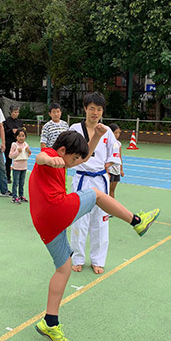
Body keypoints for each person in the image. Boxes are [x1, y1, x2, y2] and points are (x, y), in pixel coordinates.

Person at [30, 129, 160, 341]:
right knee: (98, 194)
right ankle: (137, 221)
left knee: (63, 268)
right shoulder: (51, 155)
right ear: (62, 151)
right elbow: (40, 157)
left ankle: (50, 322)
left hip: (44, 223)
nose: (75, 163)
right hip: (56, 210)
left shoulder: (63, 158)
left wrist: (97, 138)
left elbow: (83, 158)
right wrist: (50, 160)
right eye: (72, 158)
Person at [69, 92, 120, 274]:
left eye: (99, 109)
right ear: (85, 109)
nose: (95, 113)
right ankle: (77, 258)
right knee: (79, 221)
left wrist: (110, 163)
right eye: (92, 109)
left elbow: (114, 152)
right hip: (82, 179)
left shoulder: (107, 131)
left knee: (101, 221)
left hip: (100, 179)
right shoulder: (75, 129)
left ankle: (98, 260)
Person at [8, 128, 31, 204]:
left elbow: (28, 155)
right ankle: (14, 197)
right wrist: (17, 152)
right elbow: (11, 156)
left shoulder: (26, 145)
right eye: (19, 136)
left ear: (25, 137)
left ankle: (21, 195)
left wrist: (28, 151)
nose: (21, 138)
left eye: (23, 136)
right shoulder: (14, 145)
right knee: (16, 182)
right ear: (16, 137)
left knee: (22, 182)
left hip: (24, 166)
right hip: (17, 167)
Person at [4, 104, 23, 184]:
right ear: (11, 112)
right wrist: (11, 131)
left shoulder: (20, 121)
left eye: (17, 112)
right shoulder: (6, 121)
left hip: (18, 143)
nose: (16, 114)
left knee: (18, 161)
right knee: (8, 161)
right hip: (9, 143)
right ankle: (7, 177)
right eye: (15, 112)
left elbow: (22, 132)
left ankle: (18, 177)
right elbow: (4, 132)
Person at [106, 123, 125, 199]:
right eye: (115, 133)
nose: (117, 135)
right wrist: (106, 171)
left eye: (118, 133)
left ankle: (111, 204)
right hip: (109, 169)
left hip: (116, 170)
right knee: (106, 190)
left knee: (112, 190)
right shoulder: (107, 143)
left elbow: (119, 157)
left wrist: (121, 169)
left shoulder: (118, 144)